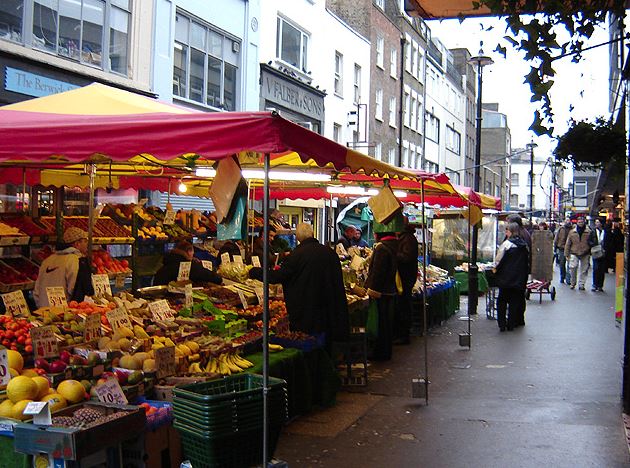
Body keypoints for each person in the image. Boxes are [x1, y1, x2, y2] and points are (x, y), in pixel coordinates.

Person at [249, 223, 349, 351]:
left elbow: (277, 276)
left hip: (306, 309)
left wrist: (255, 272)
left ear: (298, 237)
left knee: (308, 343)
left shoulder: (296, 255)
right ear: (312, 234)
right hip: (328, 307)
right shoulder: (329, 252)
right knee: (324, 342)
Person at [33, 227, 94, 307]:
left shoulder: (47, 260)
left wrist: (42, 307)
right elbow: (73, 288)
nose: (87, 244)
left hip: (44, 310)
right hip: (64, 310)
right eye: (85, 241)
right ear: (77, 244)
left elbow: (36, 290)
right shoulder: (75, 260)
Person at [365, 231, 399, 360]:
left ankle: (380, 353)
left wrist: (371, 290)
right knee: (386, 323)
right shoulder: (393, 246)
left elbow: (378, 272)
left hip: (381, 292)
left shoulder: (381, 248)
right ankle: (385, 351)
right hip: (389, 290)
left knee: (381, 323)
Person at [493, 223, 529, 331]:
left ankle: (502, 324)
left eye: (507, 230)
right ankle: (511, 324)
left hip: (506, 277)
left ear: (511, 231)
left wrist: (495, 269)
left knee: (502, 300)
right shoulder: (524, 245)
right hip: (519, 278)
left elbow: (498, 260)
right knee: (514, 301)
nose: (506, 232)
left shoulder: (507, 244)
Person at [154, 240, 222, 285]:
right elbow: (216, 278)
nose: (193, 254)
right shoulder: (190, 266)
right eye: (192, 252)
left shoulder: (165, 264)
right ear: (189, 251)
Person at [395, 220, 419, 344]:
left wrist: (394, 252)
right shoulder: (406, 237)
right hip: (406, 276)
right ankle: (402, 333)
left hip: (406, 277)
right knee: (403, 305)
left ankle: (404, 335)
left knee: (404, 305)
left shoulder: (407, 239)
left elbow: (407, 257)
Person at [564, 216, 593, 290]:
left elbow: (592, 242)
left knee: (584, 270)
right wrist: (566, 254)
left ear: (584, 223)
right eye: (579, 222)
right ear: (577, 223)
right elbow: (568, 243)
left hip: (585, 252)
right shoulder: (572, 232)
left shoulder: (588, 231)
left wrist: (590, 251)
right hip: (574, 252)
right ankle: (573, 282)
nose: (580, 223)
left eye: (582, 222)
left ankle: (581, 284)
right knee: (572, 268)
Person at [589, 218, 607, 292]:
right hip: (596, 251)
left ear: (601, 223)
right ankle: (595, 284)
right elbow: (589, 240)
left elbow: (608, 241)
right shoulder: (593, 232)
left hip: (603, 252)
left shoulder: (605, 232)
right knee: (596, 268)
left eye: (598, 222)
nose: (596, 223)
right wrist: (593, 245)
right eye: (596, 222)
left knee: (602, 270)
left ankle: (600, 285)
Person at [554, 217, 573, 285]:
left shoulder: (573, 229)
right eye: (566, 220)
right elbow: (556, 238)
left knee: (569, 265)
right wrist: (555, 247)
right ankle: (562, 276)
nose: (567, 221)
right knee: (562, 263)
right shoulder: (561, 229)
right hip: (562, 248)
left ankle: (568, 279)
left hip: (571, 249)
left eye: (568, 220)